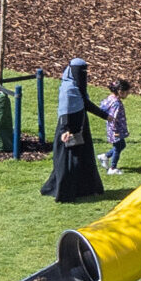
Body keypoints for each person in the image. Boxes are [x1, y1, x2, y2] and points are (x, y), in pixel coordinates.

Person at [41, 58, 104, 201]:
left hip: (81, 127)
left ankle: (85, 189)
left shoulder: (78, 88)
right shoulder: (68, 89)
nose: (83, 76)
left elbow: (86, 103)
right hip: (69, 129)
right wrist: (65, 130)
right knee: (68, 160)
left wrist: (106, 116)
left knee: (83, 158)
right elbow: (64, 111)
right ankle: (65, 192)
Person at [96, 79, 131, 174]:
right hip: (116, 129)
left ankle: (105, 156)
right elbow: (113, 118)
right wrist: (117, 131)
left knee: (121, 145)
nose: (128, 94)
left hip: (112, 128)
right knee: (117, 148)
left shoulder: (110, 98)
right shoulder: (117, 104)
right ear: (120, 92)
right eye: (127, 92)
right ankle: (112, 168)